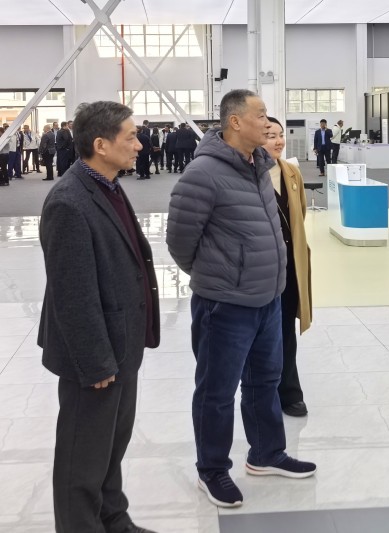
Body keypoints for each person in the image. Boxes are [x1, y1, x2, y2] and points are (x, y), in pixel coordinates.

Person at [167, 89, 316, 509]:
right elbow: (179, 242)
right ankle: (212, 469)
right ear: (235, 122)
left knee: (265, 381)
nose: (268, 123)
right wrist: (220, 278)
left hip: (268, 299)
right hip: (225, 305)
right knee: (216, 391)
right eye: (261, 115)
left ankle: (266, 453)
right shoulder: (203, 173)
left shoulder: (259, 165)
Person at [38, 100, 160, 533]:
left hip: (121, 345)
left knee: (111, 447)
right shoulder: (69, 202)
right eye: (131, 137)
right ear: (101, 145)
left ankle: (114, 520)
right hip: (94, 357)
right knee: (82, 459)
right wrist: (95, 362)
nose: (139, 145)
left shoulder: (107, 184)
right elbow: (72, 294)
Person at [264, 116, 313, 417]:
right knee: (260, 335)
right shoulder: (245, 174)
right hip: (259, 270)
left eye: (280, 135)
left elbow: (300, 214)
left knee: (285, 330)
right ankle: (261, 390)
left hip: (288, 266)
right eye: (270, 135)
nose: (279, 141)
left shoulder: (291, 172)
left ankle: (289, 392)